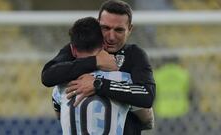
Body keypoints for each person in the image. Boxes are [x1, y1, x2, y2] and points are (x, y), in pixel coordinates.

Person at [42, 0, 156, 134]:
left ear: (130, 29)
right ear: (98, 24)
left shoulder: (134, 55)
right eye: (105, 28)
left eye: (119, 30)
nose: (111, 37)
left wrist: (98, 85)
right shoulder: (78, 47)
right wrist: (95, 61)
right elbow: (47, 76)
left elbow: (147, 96)